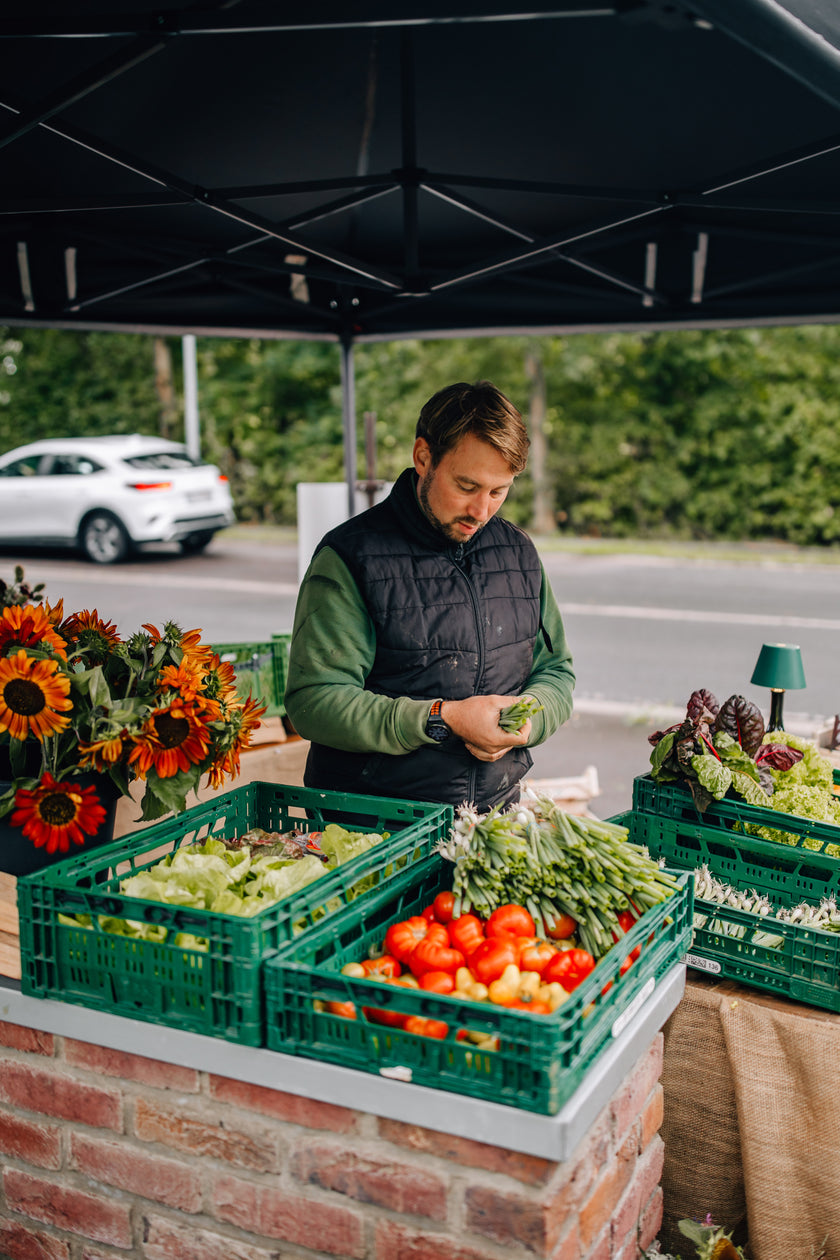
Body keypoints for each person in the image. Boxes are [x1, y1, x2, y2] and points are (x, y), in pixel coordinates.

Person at [284, 380, 575, 811]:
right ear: (423, 457)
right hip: (371, 823)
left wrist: (528, 719)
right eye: (467, 486)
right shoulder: (351, 556)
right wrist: (442, 718)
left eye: (498, 491)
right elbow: (314, 702)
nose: (481, 511)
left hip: (492, 818)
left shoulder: (518, 552)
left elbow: (556, 673)